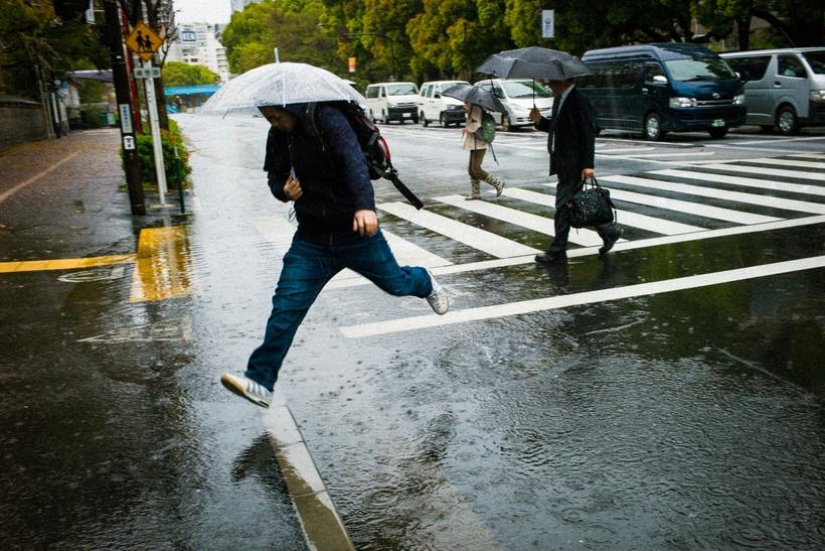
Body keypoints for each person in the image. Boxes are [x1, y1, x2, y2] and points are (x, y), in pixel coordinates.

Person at [220, 102, 450, 408]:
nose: (271, 119)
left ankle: (425, 281)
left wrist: (365, 206)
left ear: (290, 104)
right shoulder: (277, 135)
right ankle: (261, 381)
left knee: (397, 284)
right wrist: (283, 191)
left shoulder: (327, 118)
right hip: (311, 240)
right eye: (265, 114)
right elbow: (275, 178)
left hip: (356, 234)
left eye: (275, 112)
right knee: (286, 306)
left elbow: (354, 162)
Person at [529, 79, 621, 263]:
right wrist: (540, 121)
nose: (549, 84)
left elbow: (588, 132)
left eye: (552, 81)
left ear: (563, 80)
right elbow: (558, 129)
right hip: (563, 162)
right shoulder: (559, 99)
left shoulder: (578, 99)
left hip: (575, 164)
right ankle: (609, 232)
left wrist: (588, 164)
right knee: (576, 205)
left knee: (563, 207)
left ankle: (557, 250)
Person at [461, 102, 506, 200]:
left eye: (465, 100)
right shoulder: (472, 108)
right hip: (474, 143)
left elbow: (475, 125)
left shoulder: (476, 109)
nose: (463, 101)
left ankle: (497, 183)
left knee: (476, 169)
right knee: (471, 170)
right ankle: (475, 193)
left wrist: (466, 129)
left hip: (479, 143)